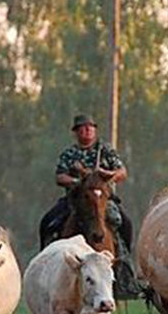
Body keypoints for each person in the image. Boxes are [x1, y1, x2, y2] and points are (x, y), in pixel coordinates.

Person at [39, 114, 141, 296]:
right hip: (75, 199)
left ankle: (124, 269)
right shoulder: (70, 154)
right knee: (48, 222)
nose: (87, 130)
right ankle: (44, 266)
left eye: (90, 127)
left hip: (103, 199)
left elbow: (122, 172)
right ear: (76, 132)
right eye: (82, 128)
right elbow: (59, 177)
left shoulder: (106, 150)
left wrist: (107, 174)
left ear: (94, 130)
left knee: (125, 223)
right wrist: (77, 181)